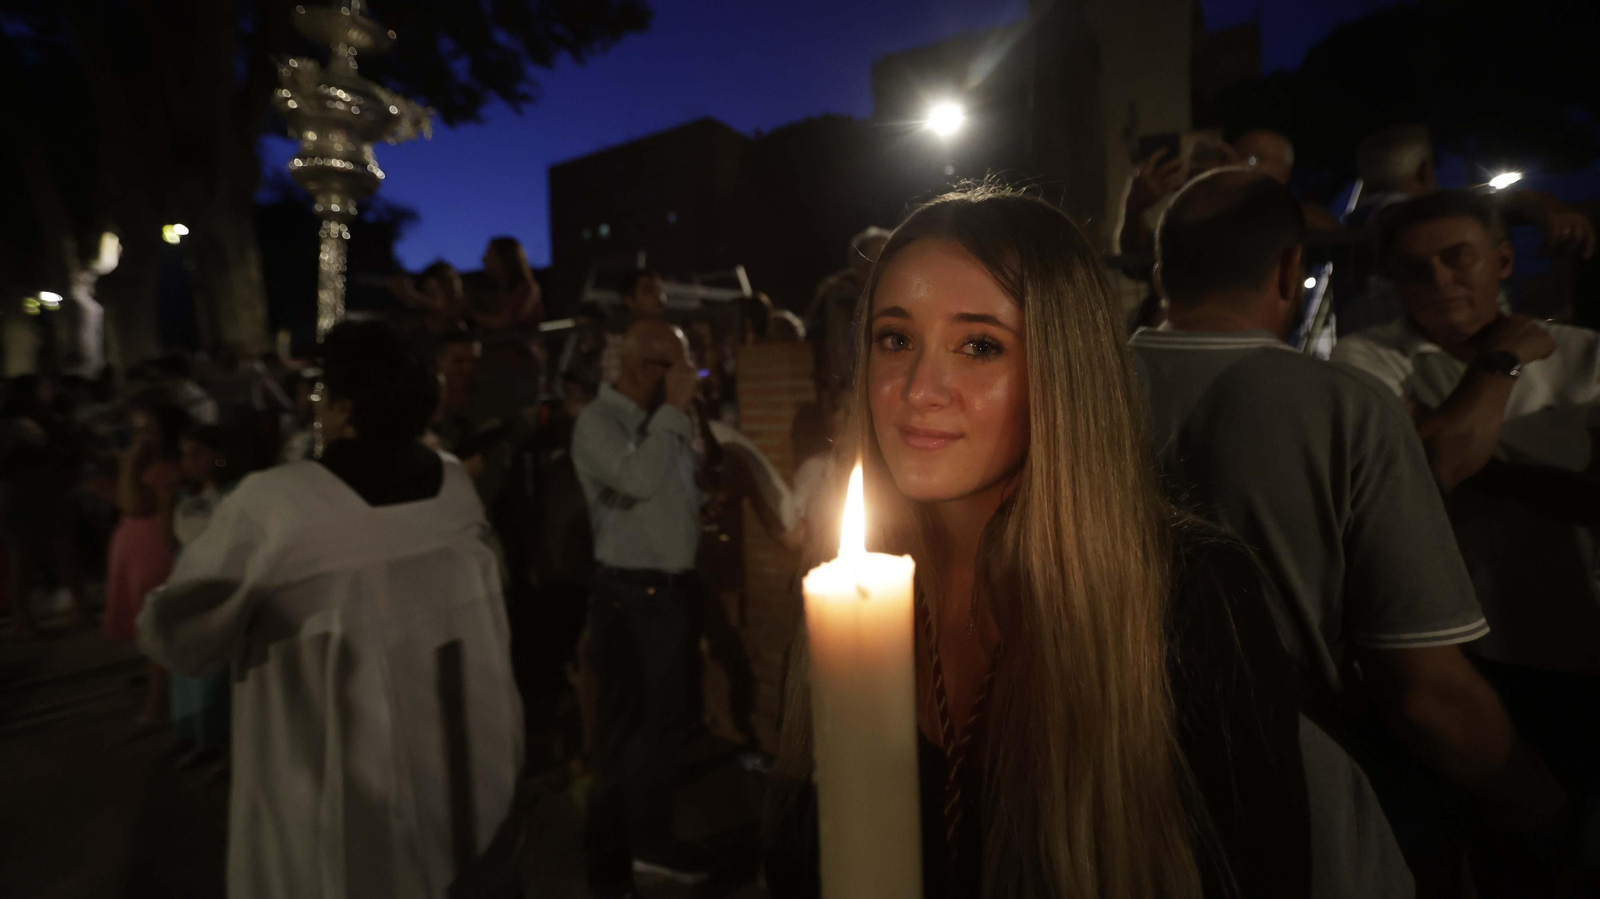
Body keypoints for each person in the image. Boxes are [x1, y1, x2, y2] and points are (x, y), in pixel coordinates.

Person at [767, 186, 1316, 899]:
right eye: (895, 338)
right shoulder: (842, 592)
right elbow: (794, 856)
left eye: (980, 346)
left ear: (1062, 374)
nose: (919, 388)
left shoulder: (1187, 598)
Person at [1135, 170, 1570, 895]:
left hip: (1097, 785)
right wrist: (1540, 806)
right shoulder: (1345, 407)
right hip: (1303, 811)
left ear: (1158, 274)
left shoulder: (1057, 396)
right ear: (1287, 269)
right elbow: (1426, 692)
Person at [138, 320, 524, 898]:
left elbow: (178, 637)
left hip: (336, 791)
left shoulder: (275, 504)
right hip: (459, 778)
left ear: (343, 407)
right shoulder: (453, 489)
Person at [1330, 190, 1600, 846]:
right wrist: (1499, 361)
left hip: (1584, 629)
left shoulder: (1584, 353)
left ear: (1502, 261)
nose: (1440, 280)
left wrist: (1446, 449)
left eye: (1459, 259)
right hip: (1469, 648)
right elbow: (1446, 463)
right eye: (1416, 268)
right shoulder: (1369, 358)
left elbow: (1441, 464)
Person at [571, 318, 711, 894]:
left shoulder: (661, 421)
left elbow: (678, 487)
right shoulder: (597, 422)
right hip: (631, 598)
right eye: (677, 364)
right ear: (644, 367)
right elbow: (640, 479)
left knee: (662, 729)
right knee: (628, 735)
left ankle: (647, 845)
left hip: (669, 593)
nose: (688, 375)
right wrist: (674, 413)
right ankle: (614, 862)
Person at [105, 399, 190, 725]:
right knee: (148, 632)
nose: (141, 439)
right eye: (136, 431)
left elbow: (133, 504)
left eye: (148, 431)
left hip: (153, 553)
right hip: (134, 552)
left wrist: (128, 463)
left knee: (158, 633)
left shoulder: (168, 467)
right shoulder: (151, 465)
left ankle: (157, 707)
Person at [0, 376, 89, 634]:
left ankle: (73, 612)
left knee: (59, 553)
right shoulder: (14, 425)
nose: (50, 391)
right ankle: (25, 620)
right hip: (26, 495)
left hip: (43, 493)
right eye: (44, 388)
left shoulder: (48, 419)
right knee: (28, 558)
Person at [167, 424, 234, 764]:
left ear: (218, 456)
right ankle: (196, 734)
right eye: (183, 454)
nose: (188, 461)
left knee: (216, 670)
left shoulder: (237, 494)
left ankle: (221, 745)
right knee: (188, 666)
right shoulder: (186, 496)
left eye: (197, 453)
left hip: (218, 584)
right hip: (187, 582)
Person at [1233, 128, 1342, 230]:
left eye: (1278, 162)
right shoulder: (1221, 209)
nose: (1267, 169)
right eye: (1252, 158)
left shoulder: (1305, 219)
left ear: (1286, 171)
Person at [599, 269, 669, 387]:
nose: (659, 297)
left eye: (660, 290)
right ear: (629, 301)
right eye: (649, 291)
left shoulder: (672, 338)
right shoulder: (618, 345)